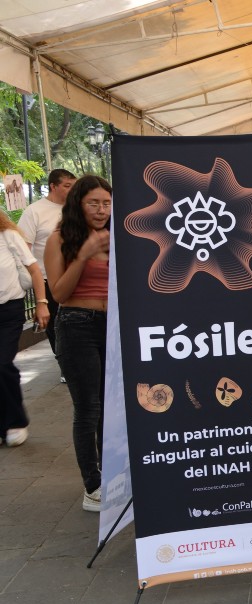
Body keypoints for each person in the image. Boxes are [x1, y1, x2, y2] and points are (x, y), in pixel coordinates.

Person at [44, 175, 111, 512]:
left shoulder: (118, 237)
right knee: (87, 408)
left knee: (110, 407)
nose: (101, 210)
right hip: (75, 325)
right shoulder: (60, 240)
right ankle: (92, 485)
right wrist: (83, 255)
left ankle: (112, 475)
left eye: (106, 203)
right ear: (78, 204)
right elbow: (58, 293)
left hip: (111, 327)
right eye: (93, 203)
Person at [0, 210, 49, 447]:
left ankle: (15, 422)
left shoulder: (8, 235)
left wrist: (41, 303)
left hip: (8, 310)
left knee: (2, 364)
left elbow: (34, 270)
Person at [18, 169, 76, 354]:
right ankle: (63, 362)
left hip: (76, 274)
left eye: (74, 186)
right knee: (55, 324)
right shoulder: (34, 211)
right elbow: (23, 248)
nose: (71, 190)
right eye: (67, 186)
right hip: (47, 278)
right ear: (53, 186)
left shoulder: (77, 209)